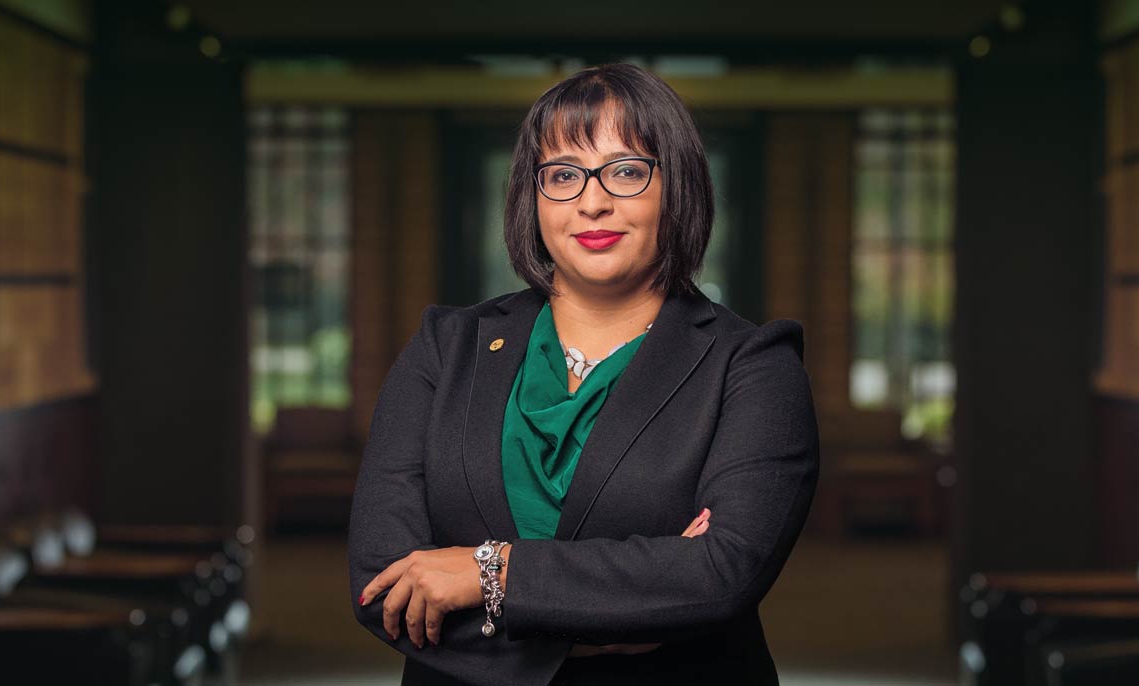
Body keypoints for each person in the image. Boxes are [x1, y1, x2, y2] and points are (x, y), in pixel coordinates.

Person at [347, 62, 819, 686]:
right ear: (533, 197)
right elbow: (383, 584)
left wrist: (490, 573)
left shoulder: (753, 365)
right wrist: (621, 613)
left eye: (626, 171)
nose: (592, 202)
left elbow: (721, 574)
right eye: (564, 175)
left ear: (677, 187)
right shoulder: (446, 348)